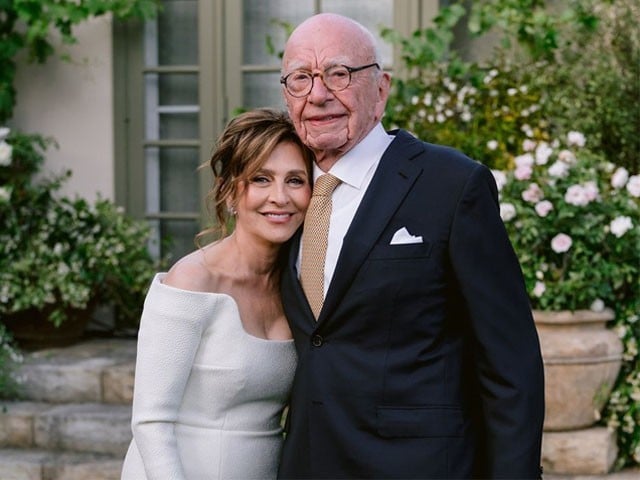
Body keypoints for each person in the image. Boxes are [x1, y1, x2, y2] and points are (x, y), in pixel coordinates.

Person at [277, 13, 545, 479]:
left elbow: (510, 363)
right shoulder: (282, 195)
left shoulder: (452, 184)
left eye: (338, 74)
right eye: (301, 78)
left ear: (381, 90)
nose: (318, 95)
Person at [120, 108, 314, 480]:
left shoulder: (301, 285)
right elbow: (151, 421)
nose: (280, 197)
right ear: (229, 191)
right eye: (261, 179)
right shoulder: (192, 280)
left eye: (295, 180)